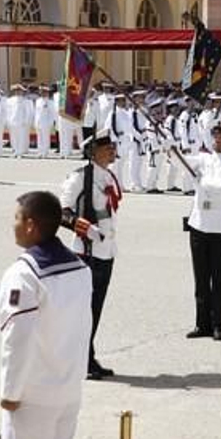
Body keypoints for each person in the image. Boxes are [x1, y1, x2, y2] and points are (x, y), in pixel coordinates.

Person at [0, 190, 94, 439]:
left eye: (18, 218)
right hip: (67, 390)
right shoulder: (79, 268)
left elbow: (16, 338)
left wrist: (10, 391)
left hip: (32, 395)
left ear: (32, 224)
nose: (14, 225)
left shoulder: (24, 273)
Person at [60, 134, 124, 380]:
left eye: (112, 147)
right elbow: (62, 213)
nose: (112, 151)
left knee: (95, 309)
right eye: (107, 148)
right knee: (84, 310)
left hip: (106, 250)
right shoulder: (79, 178)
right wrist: (86, 228)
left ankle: (87, 356)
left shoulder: (108, 176)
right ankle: (80, 360)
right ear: (93, 151)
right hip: (87, 252)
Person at [185, 119, 221, 340]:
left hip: (220, 226)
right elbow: (181, 162)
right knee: (200, 278)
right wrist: (169, 147)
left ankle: (219, 324)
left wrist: (201, 180)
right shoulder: (203, 158)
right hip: (199, 223)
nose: (218, 139)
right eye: (216, 135)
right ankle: (202, 324)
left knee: (219, 278)